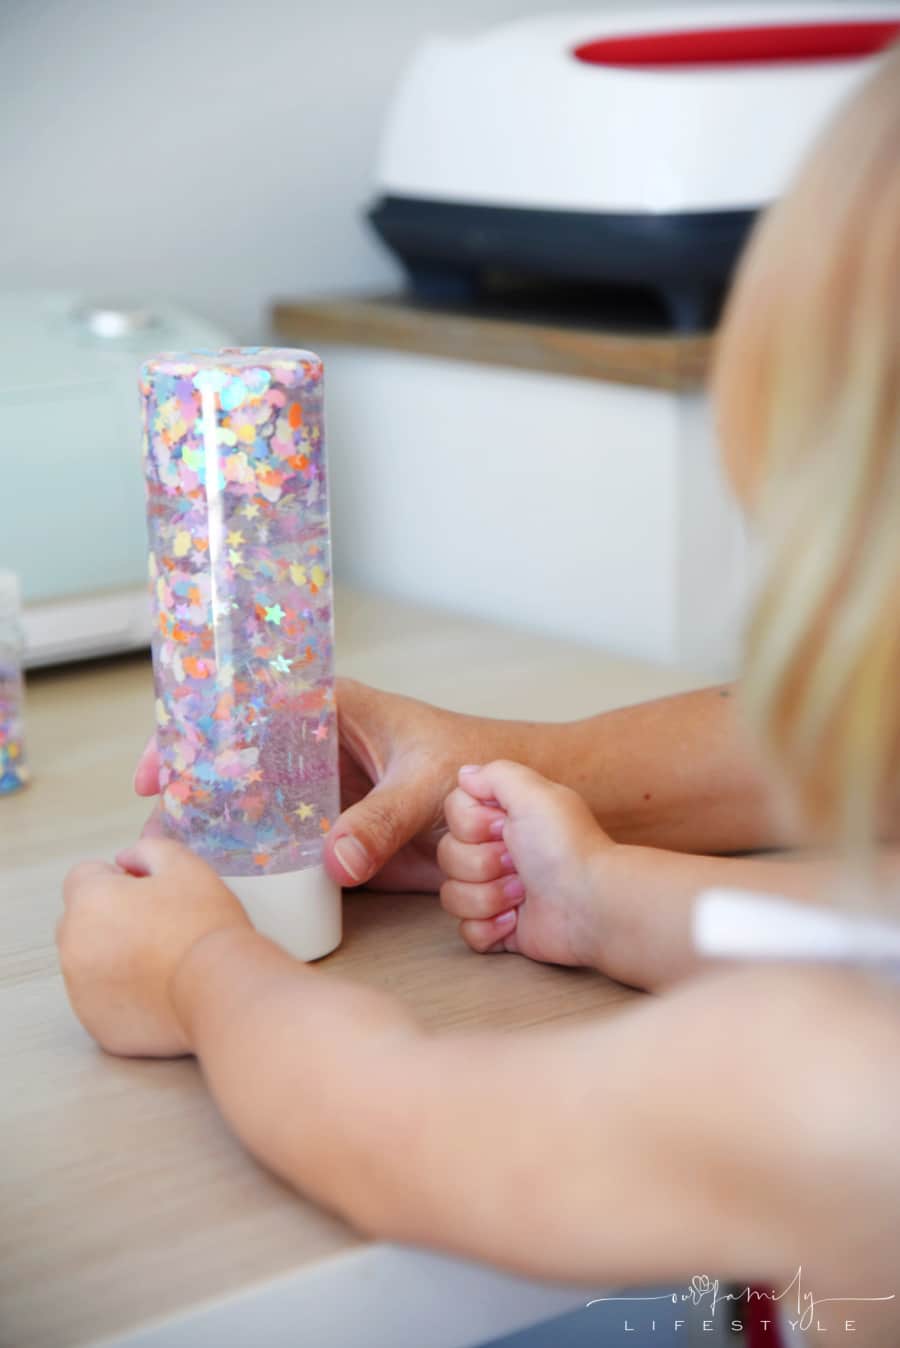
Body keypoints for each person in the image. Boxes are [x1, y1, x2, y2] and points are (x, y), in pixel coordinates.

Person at [59, 47, 900, 1345]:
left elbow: (407, 1133)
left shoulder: (829, 1084)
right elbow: (856, 922)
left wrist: (196, 975)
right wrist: (603, 896)